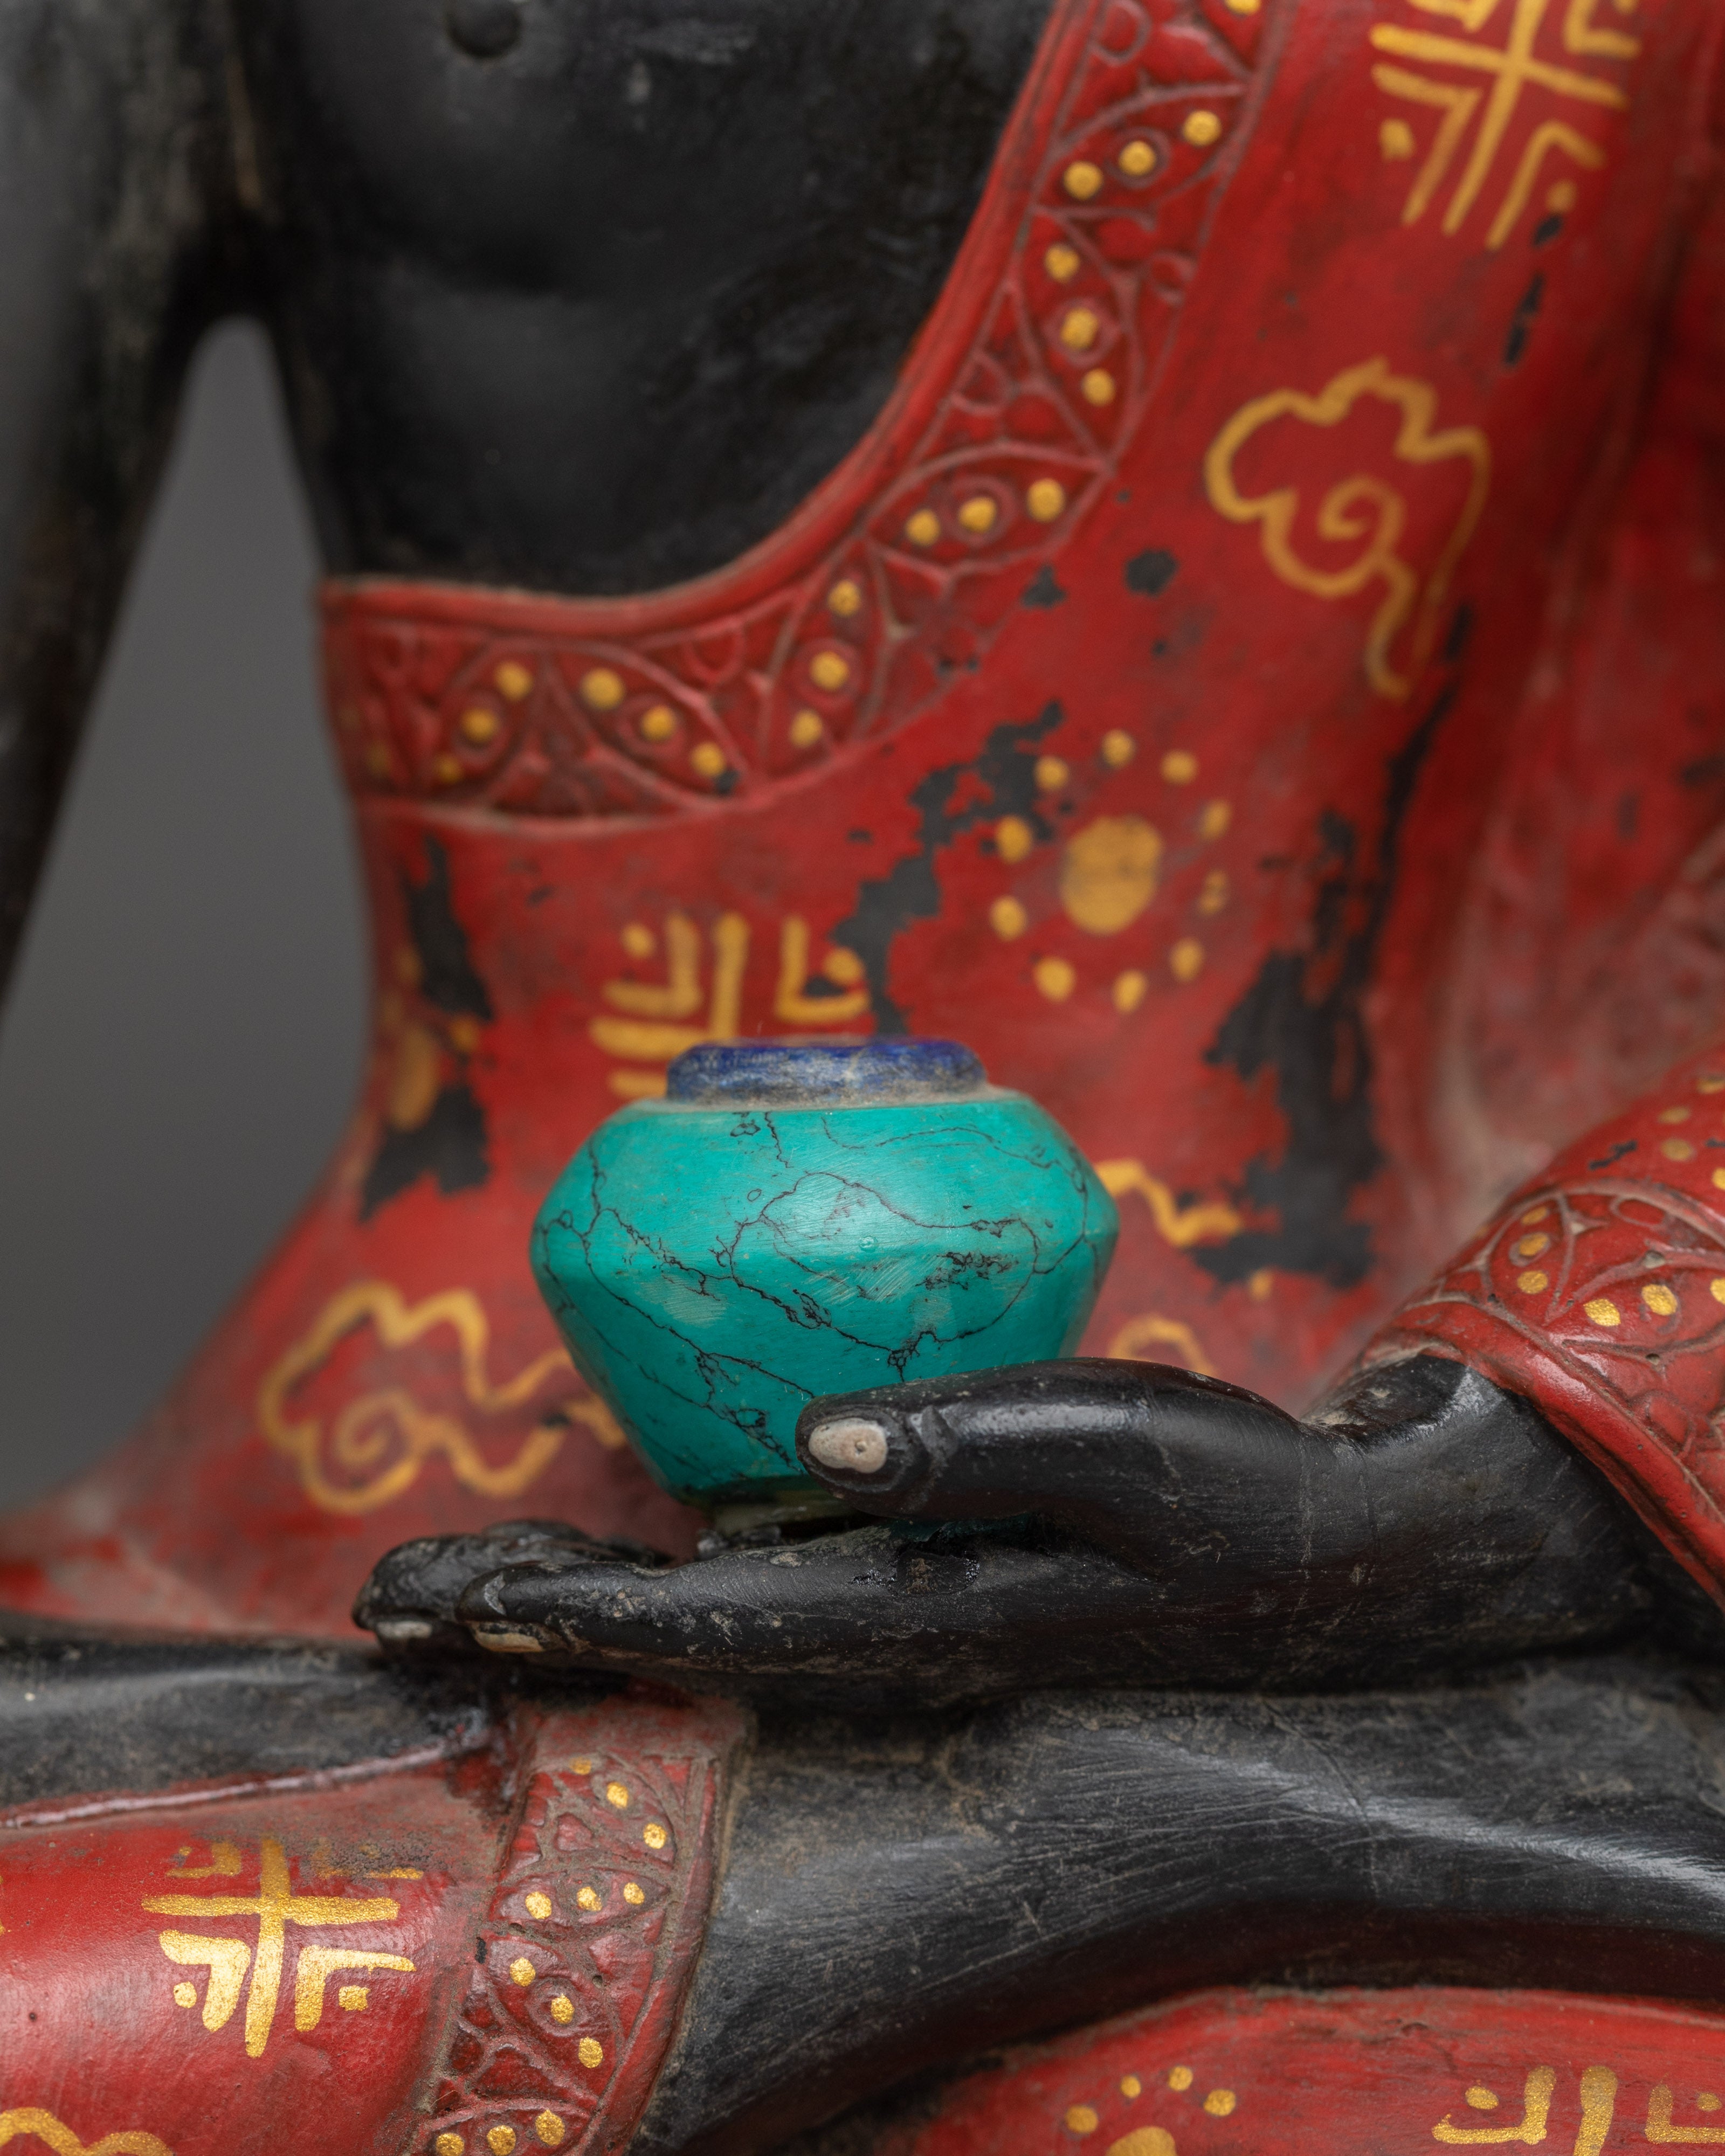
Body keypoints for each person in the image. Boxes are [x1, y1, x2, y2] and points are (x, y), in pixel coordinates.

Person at [5, 1, 1725, 2151]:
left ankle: (1166, 1821)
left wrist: (1516, 1469)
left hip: (1457, 1560)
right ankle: (1127, 1833)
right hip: (372, 1607)